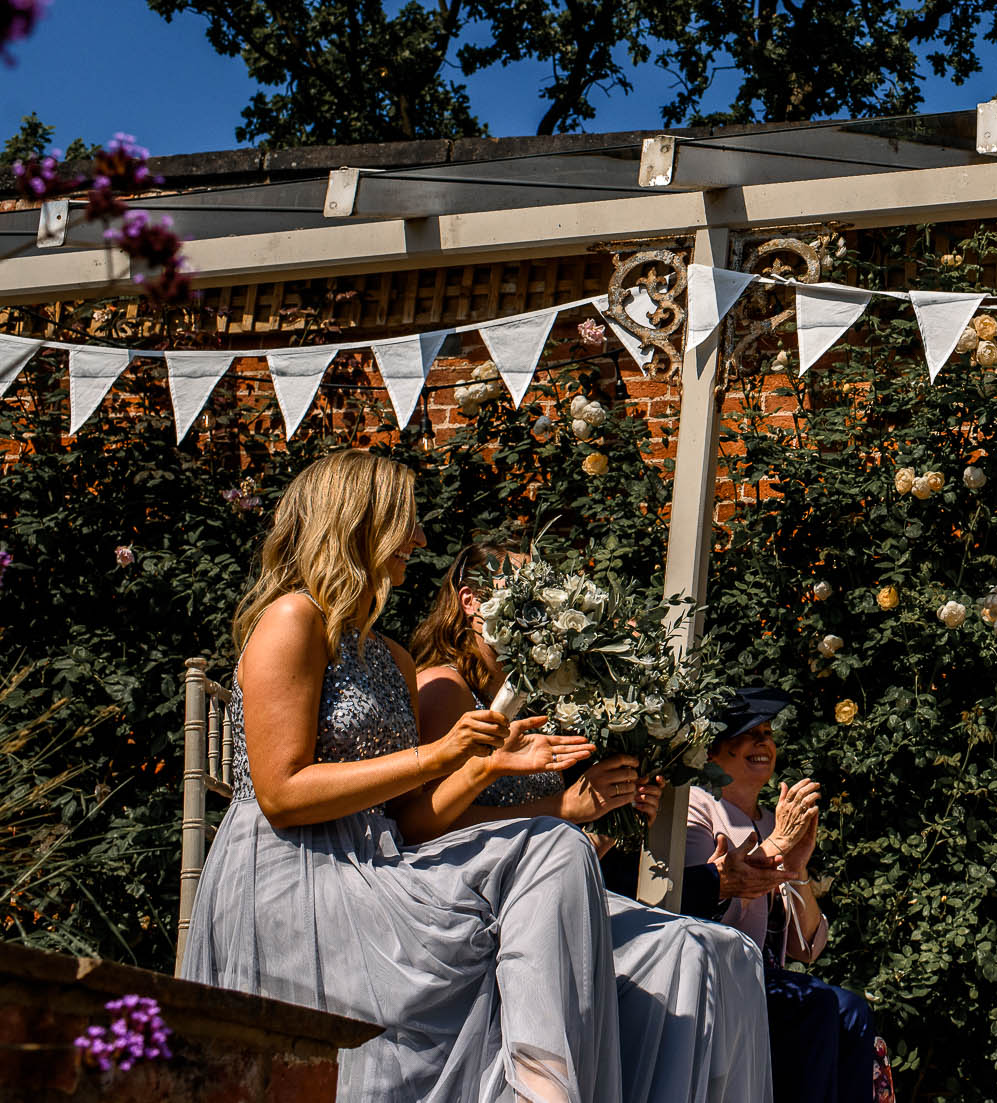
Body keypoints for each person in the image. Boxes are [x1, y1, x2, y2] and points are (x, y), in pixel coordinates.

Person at [179, 449, 624, 1102]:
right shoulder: (292, 619)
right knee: (546, 853)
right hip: (294, 875)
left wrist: (483, 766)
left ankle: (543, 1088)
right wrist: (440, 755)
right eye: (406, 520)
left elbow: (414, 817)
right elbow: (280, 793)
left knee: (555, 847)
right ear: (357, 521)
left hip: (381, 863)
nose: (418, 538)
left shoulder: (390, 653)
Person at [410, 540, 777, 1103]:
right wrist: (564, 809)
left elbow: (562, 850)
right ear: (471, 603)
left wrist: (611, 816)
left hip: (538, 891)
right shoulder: (444, 690)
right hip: (469, 897)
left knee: (728, 952)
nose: (544, 626)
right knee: (684, 950)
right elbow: (432, 825)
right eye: (527, 605)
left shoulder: (534, 701)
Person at [681, 690, 884, 1103]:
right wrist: (777, 844)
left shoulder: (775, 820)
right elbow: (701, 900)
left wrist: (801, 870)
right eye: (748, 734)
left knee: (853, 1010)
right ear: (715, 748)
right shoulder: (695, 809)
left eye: (768, 734)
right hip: (717, 971)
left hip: (766, 972)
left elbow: (807, 947)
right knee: (823, 1007)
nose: (763, 744)